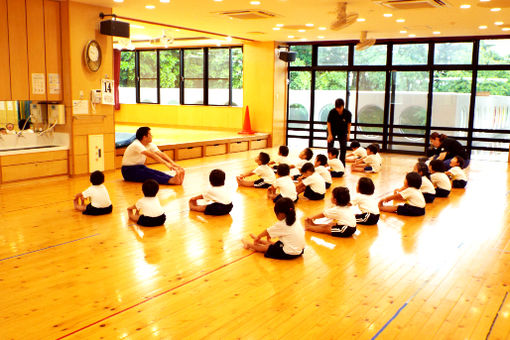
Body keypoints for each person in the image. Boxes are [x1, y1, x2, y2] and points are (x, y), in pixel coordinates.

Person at [327, 98, 352, 165]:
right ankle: (331, 163)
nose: (338, 109)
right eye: (337, 108)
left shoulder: (348, 113)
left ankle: (341, 164)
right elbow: (328, 123)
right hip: (332, 130)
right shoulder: (332, 112)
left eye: (340, 108)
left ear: (343, 106)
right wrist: (329, 134)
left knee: (343, 147)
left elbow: (349, 124)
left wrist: (349, 134)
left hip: (342, 131)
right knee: (330, 147)